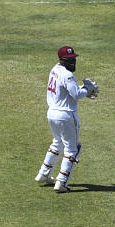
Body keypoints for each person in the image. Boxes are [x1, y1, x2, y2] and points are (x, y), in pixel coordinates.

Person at [34, 46, 98, 193]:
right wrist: (86, 89)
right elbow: (76, 94)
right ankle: (61, 182)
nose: (72, 62)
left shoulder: (54, 69)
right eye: (69, 60)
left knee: (57, 143)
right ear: (61, 60)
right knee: (73, 149)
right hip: (66, 114)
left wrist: (82, 88)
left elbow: (68, 89)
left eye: (73, 59)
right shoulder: (68, 75)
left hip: (52, 113)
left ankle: (43, 174)